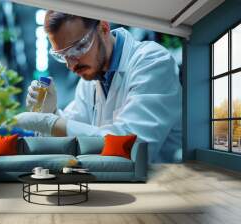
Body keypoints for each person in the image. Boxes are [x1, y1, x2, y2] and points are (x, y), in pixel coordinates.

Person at [14, 11, 182, 162]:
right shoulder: (89, 81)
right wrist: (51, 113)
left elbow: (133, 146)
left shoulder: (151, 61)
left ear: (103, 27)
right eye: (63, 55)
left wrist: (51, 123)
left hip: (161, 184)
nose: (71, 65)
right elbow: (72, 134)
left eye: (77, 48)